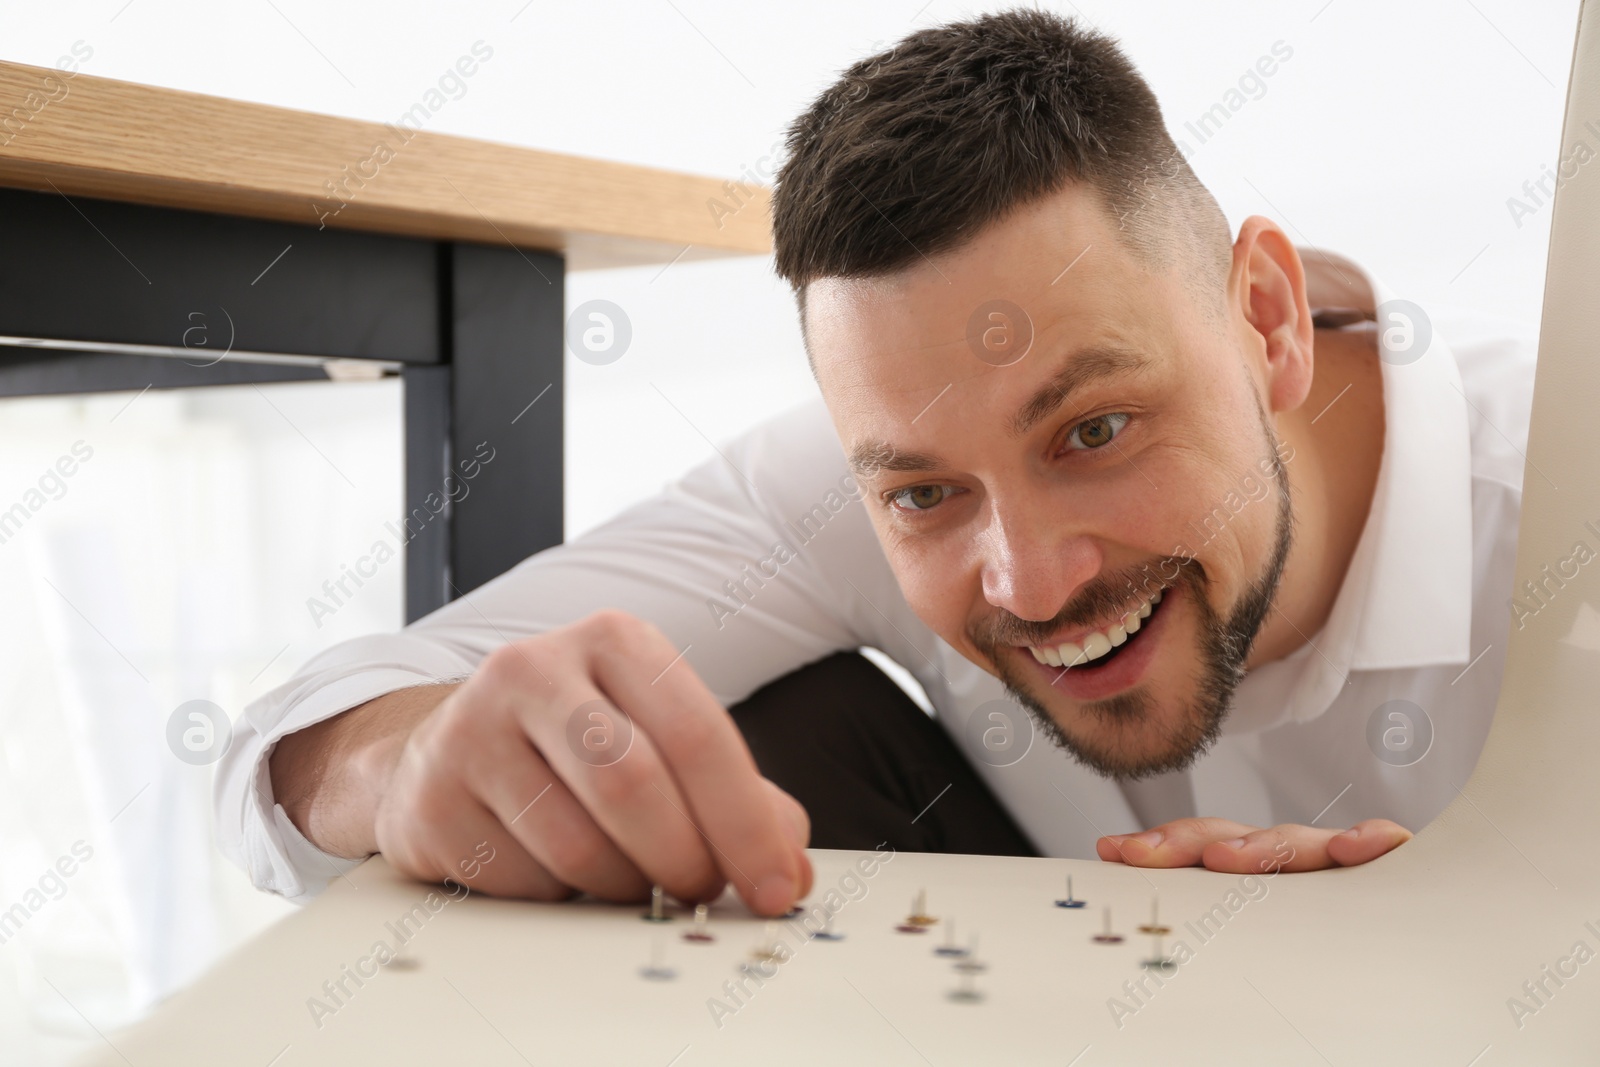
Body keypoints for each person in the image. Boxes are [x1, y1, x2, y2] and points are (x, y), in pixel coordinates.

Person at [217, 9, 1534, 918]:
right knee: (758, 739)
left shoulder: (1545, 502)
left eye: (1094, 430)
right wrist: (413, 769)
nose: (1026, 578)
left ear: (1265, 318)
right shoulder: (871, 483)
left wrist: (1439, 958)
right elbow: (282, 754)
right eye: (923, 495)